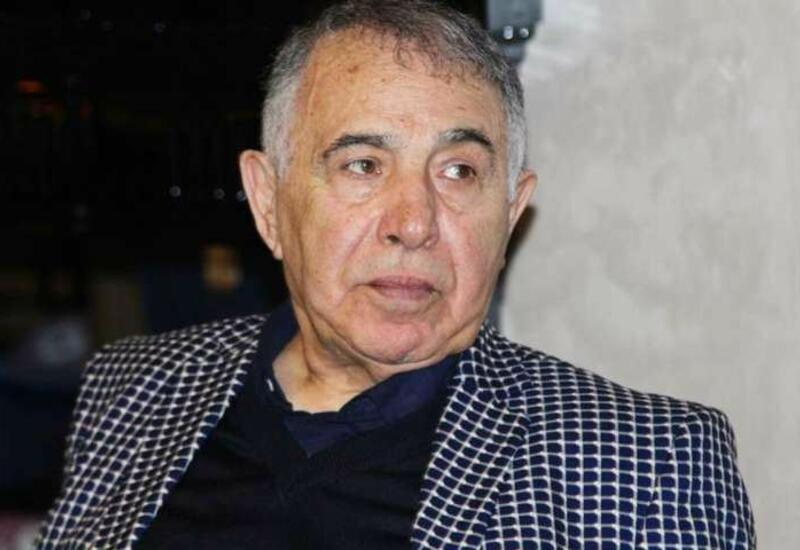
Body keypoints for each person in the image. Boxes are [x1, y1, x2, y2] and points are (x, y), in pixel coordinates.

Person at [36, 1, 755, 548]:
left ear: (510, 213)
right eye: (363, 165)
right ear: (268, 202)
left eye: (458, 171)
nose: (413, 222)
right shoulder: (135, 390)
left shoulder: (648, 467)